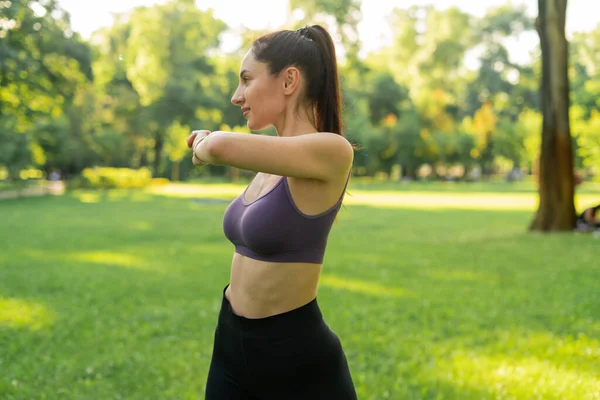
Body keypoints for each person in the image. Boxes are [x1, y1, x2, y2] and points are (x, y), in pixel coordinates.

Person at [186, 25, 358, 399]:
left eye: (246, 79)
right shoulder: (272, 163)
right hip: (231, 341)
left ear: (288, 81)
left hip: (294, 358)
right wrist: (209, 143)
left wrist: (202, 143)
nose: (237, 96)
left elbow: (218, 148)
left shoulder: (333, 151)